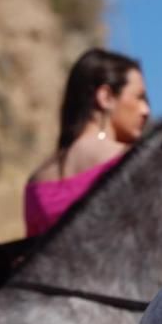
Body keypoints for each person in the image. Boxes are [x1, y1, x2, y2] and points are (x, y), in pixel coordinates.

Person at [24, 48, 150, 236]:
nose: (145, 110)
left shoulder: (36, 184)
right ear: (106, 97)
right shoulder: (134, 163)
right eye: (139, 97)